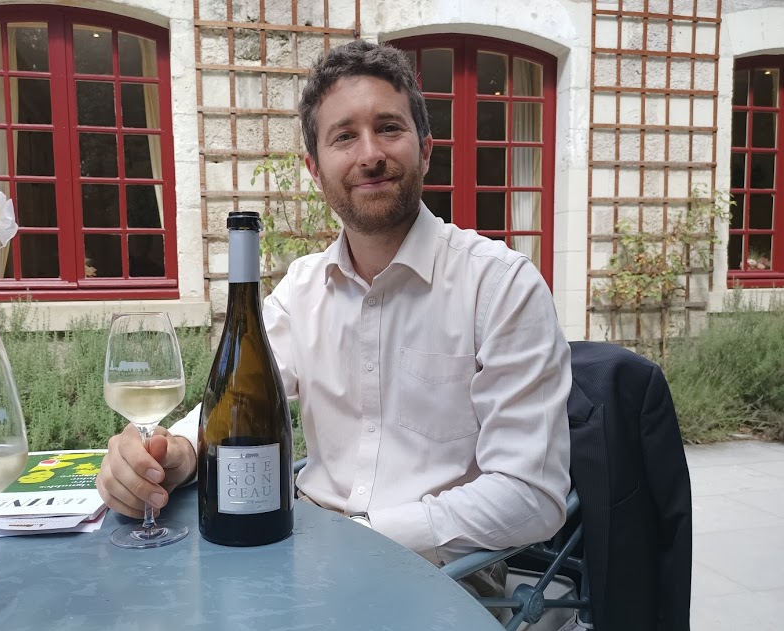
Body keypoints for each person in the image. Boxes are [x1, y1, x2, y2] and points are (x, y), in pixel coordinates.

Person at [98, 40, 571, 588]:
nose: (370, 154)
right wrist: (175, 453)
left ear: (426, 150)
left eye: (389, 128)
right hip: (301, 558)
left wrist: (357, 538)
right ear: (315, 170)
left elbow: (531, 495)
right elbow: (235, 399)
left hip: (442, 576)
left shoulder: (501, 286)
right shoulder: (302, 290)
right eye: (344, 136)